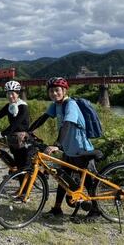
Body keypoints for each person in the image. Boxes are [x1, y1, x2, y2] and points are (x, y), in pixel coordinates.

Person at [29, 77, 101, 221]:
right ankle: (57, 209)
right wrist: (28, 131)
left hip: (81, 149)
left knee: (89, 183)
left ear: (64, 91)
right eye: (51, 91)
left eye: (57, 90)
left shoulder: (71, 104)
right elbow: (43, 118)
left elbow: (67, 124)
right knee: (62, 179)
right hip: (69, 151)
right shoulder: (56, 105)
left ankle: (96, 211)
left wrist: (58, 144)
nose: (54, 94)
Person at [0, 80, 31, 170]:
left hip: (22, 139)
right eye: (8, 93)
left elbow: (15, 125)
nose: (10, 96)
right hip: (13, 138)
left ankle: (28, 180)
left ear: (18, 93)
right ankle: (18, 176)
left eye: (12, 93)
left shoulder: (23, 106)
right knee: (17, 162)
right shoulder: (9, 105)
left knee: (23, 165)